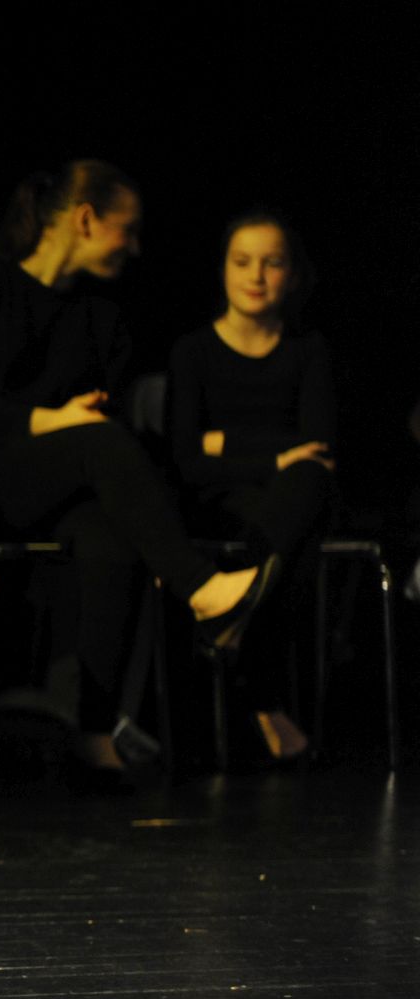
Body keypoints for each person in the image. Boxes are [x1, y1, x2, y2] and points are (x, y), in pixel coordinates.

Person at [0, 160, 276, 782]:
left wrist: (78, 420)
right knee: (100, 444)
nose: (134, 247)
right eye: (126, 230)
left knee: (113, 534)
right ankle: (200, 588)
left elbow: (97, 413)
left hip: (57, 482)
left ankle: (93, 728)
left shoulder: (97, 316)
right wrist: (53, 420)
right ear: (85, 220)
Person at [168, 212, 333, 761]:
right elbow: (186, 462)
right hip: (221, 504)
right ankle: (264, 699)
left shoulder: (309, 351)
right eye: (242, 262)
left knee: (309, 481)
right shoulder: (192, 352)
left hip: (292, 497)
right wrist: (275, 456)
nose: (256, 276)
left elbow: (318, 448)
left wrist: (225, 443)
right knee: (295, 530)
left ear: (294, 274)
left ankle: (232, 622)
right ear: (222, 270)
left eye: (272, 263)